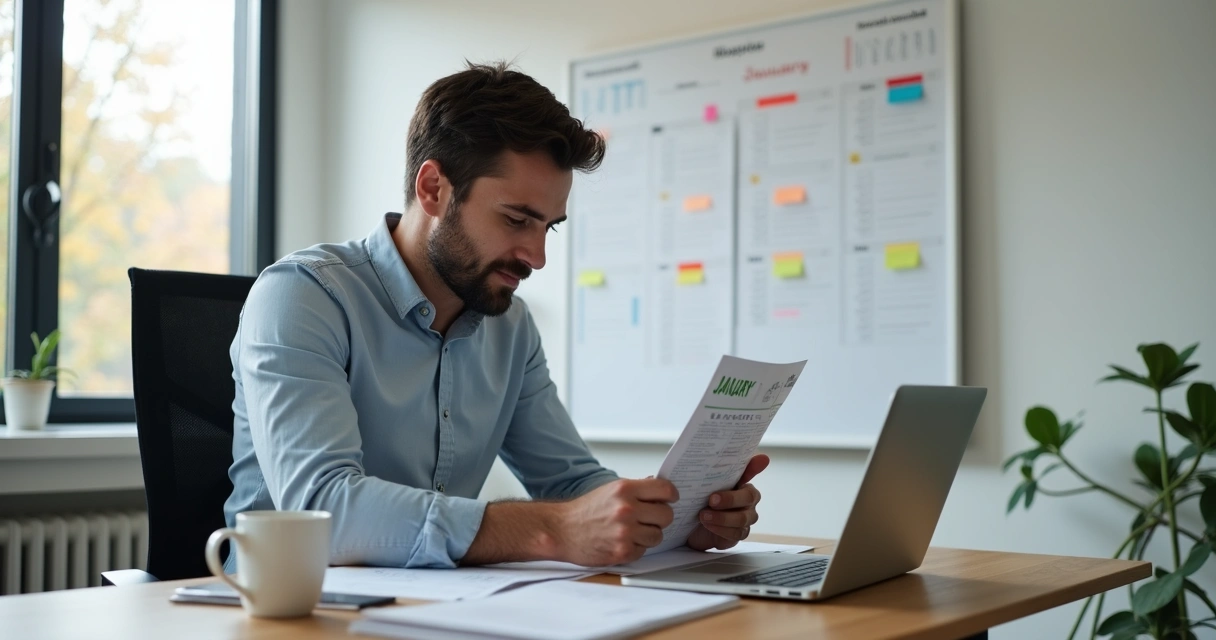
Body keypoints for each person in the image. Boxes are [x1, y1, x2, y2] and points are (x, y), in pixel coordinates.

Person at [223, 61, 768, 571]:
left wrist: (677, 520)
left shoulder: (510, 327)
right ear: (433, 189)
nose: (537, 256)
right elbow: (324, 512)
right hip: (288, 610)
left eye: (548, 226)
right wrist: (549, 531)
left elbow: (571, 482)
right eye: (516, 219)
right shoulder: (302, 297)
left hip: (435, 608)